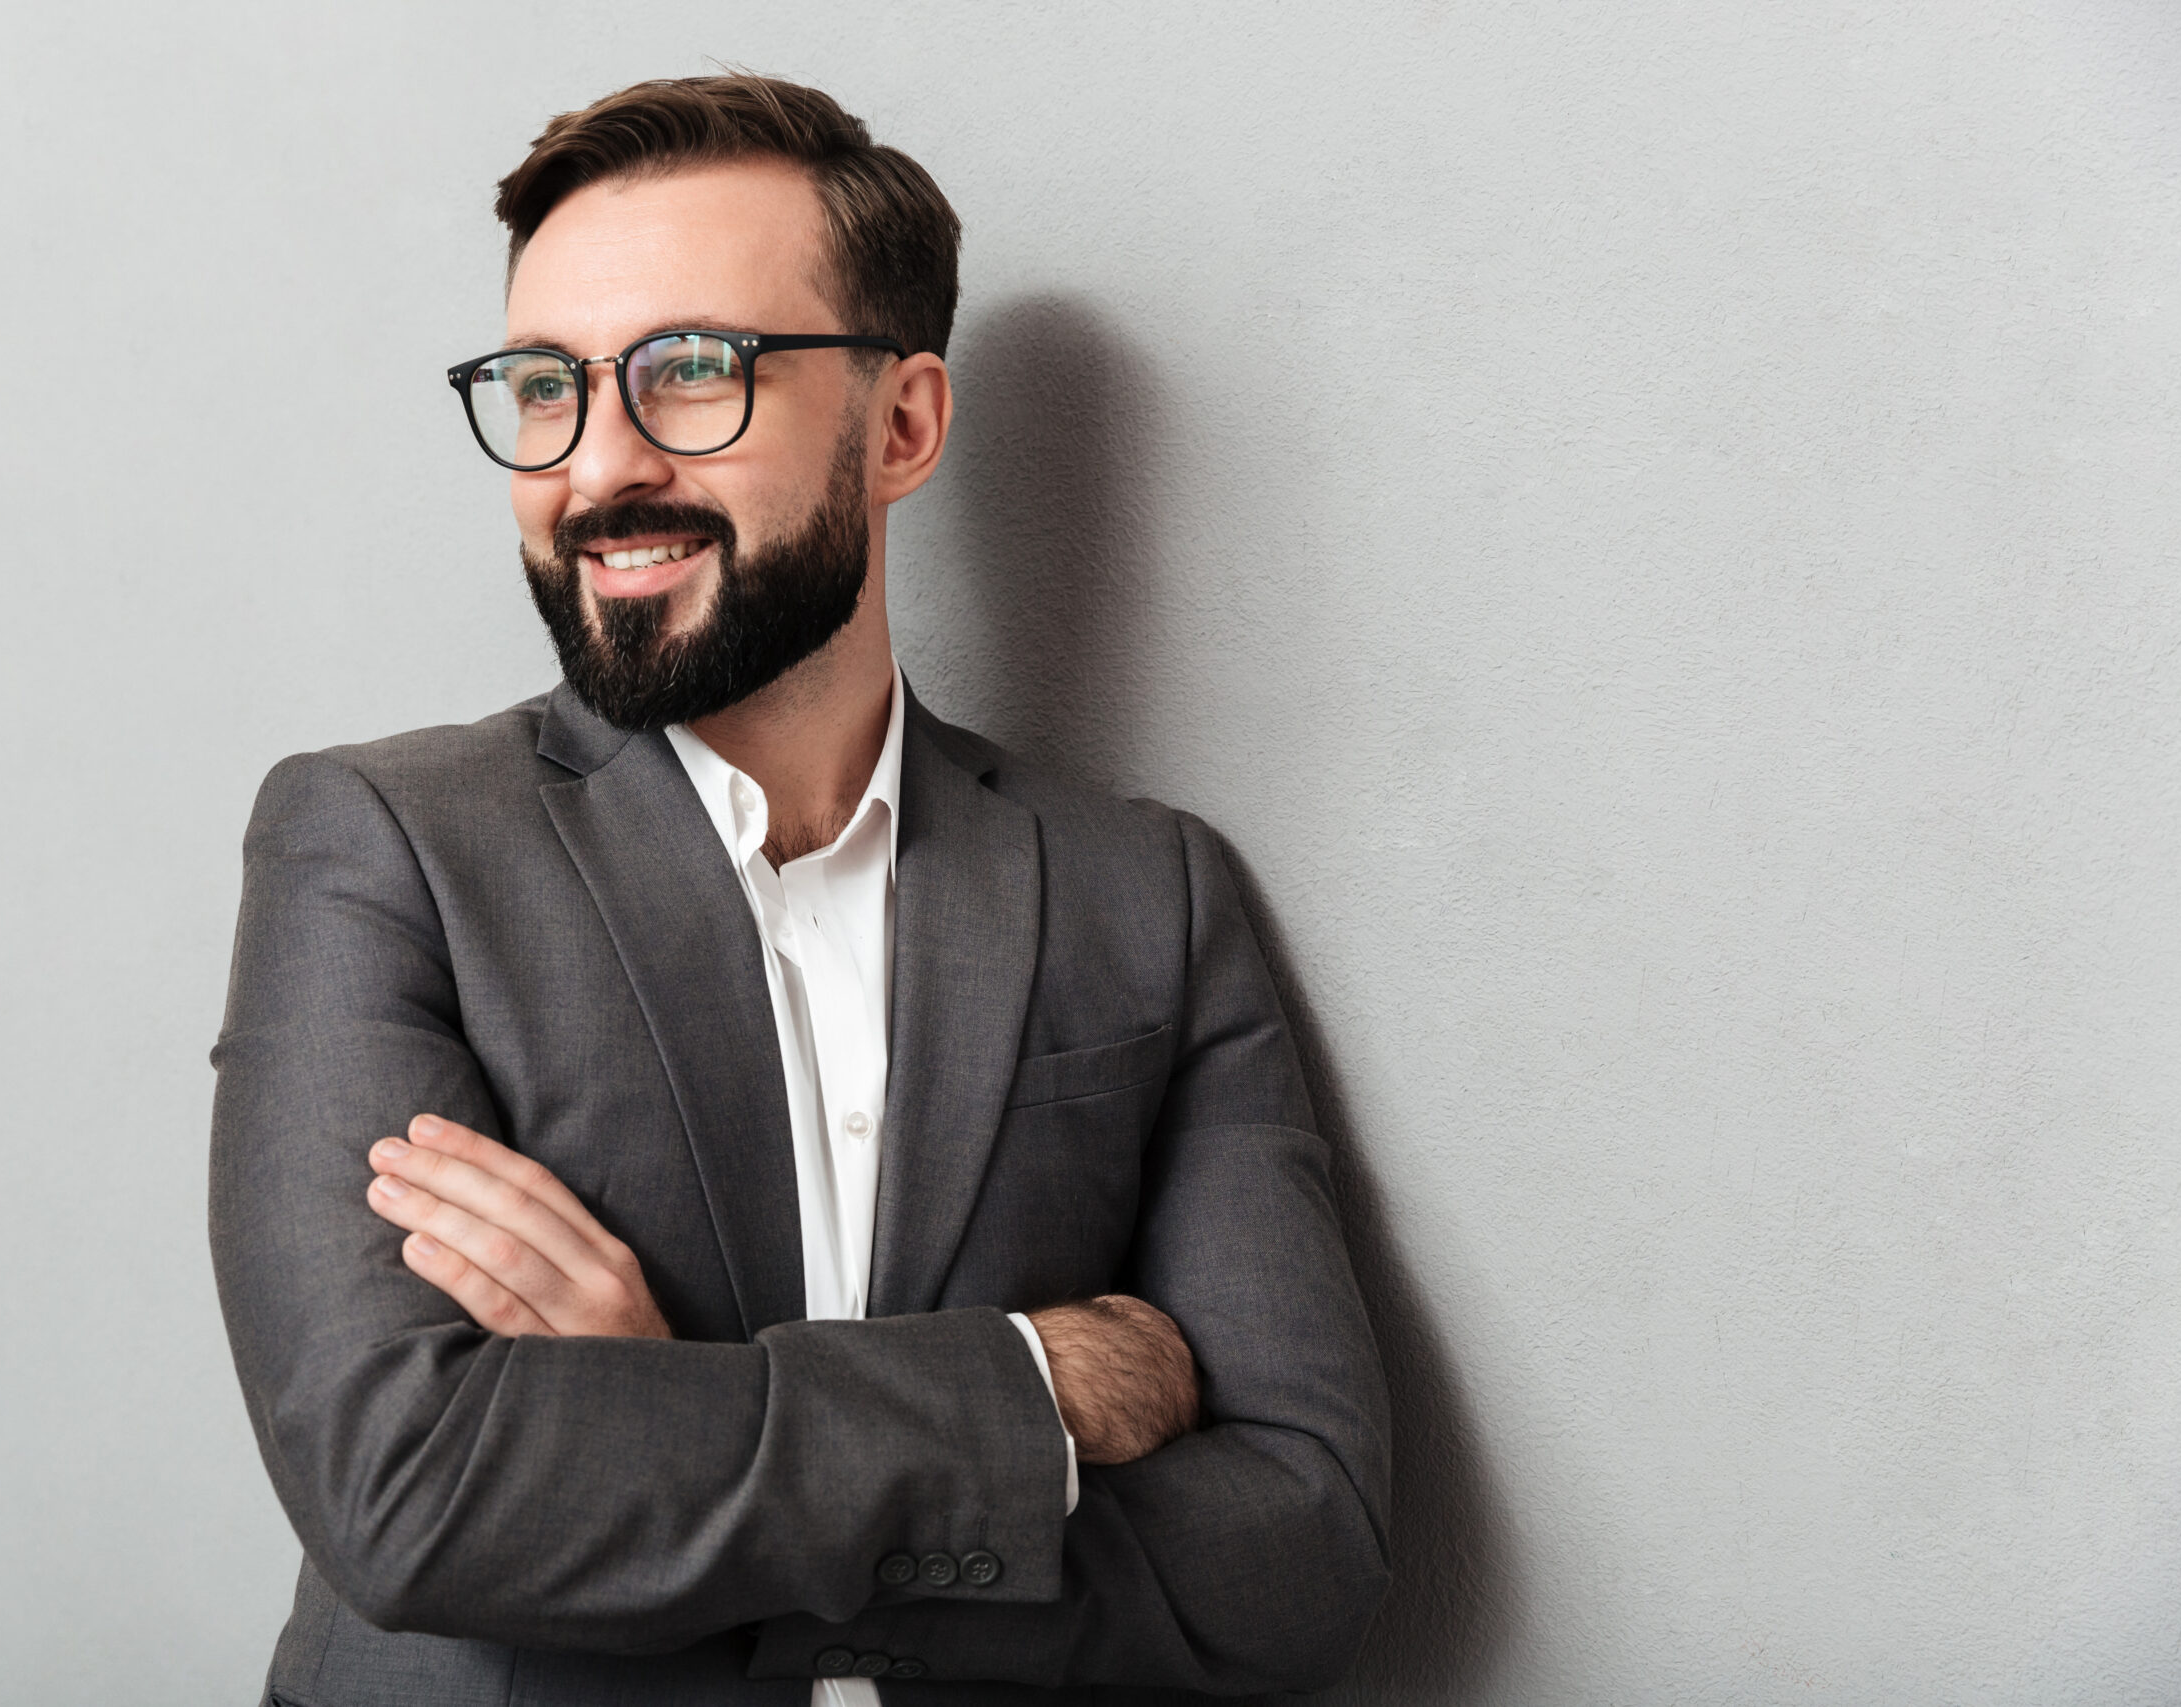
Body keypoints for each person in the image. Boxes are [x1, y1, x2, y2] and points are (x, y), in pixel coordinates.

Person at [209, 73, 1389, 1707]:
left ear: (901, 427)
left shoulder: (1149, 897)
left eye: (694, 372)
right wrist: (1030, 1386)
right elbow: (416, 1497)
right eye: (548, 386)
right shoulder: (379, 850)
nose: (597, 464)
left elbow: (1301, 1551)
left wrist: (669, 1423)